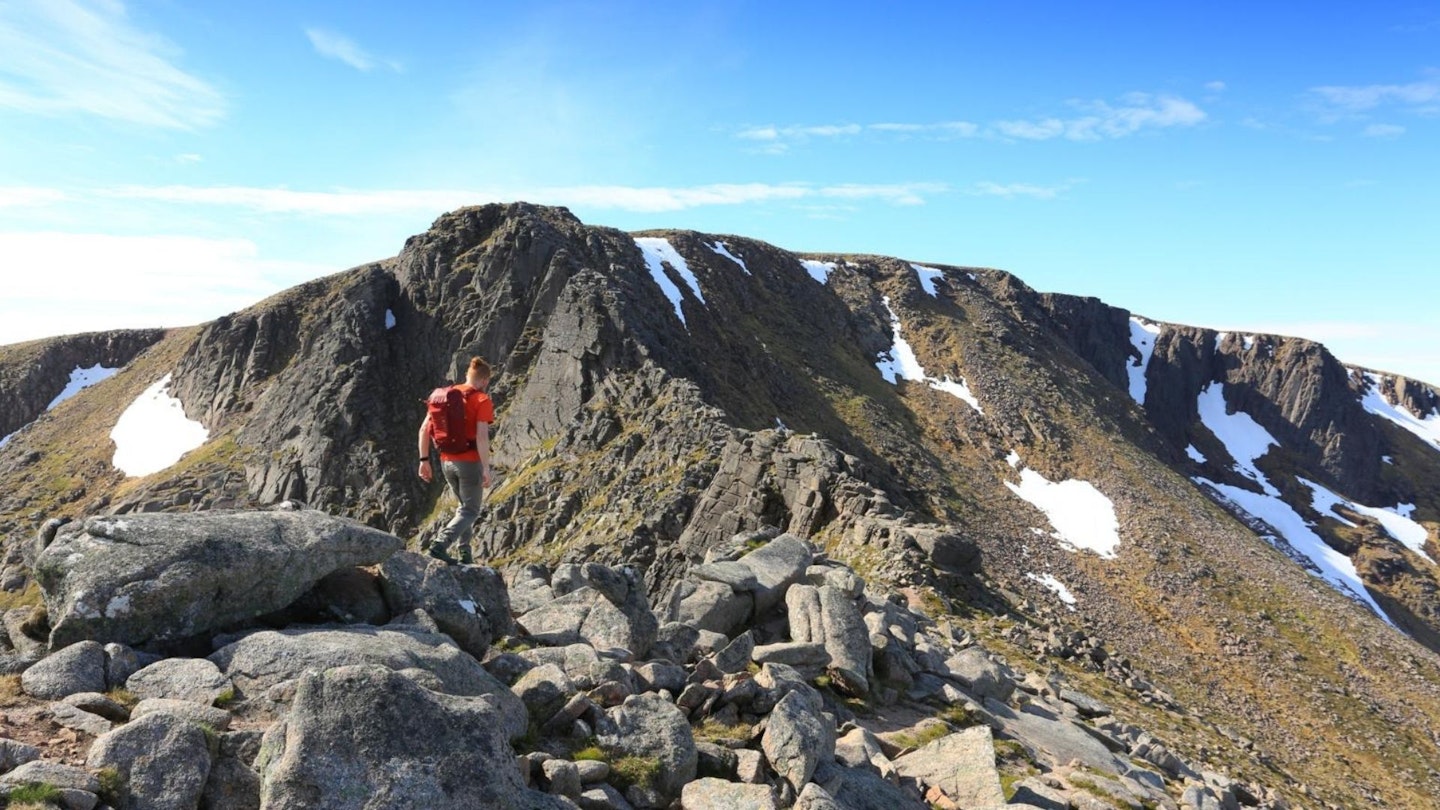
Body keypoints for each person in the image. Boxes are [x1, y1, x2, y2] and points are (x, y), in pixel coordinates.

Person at [417, 357, 494, 564]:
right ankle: (440, 545)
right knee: (470, 510)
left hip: (446, 462)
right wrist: (486, 468)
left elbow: (425, 429)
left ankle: (464, 553)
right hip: (469, 463)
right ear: (485, 380)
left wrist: (424, 459)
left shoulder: (443, 397)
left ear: (466, 376)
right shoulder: (481, 400)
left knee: (463, 508)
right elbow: (481, 436)